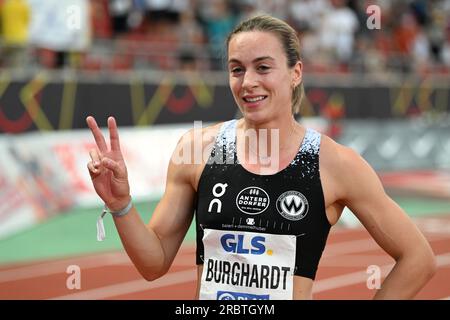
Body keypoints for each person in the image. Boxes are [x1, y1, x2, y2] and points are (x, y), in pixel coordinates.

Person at [86, 14, 436, 300]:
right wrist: (121, 204)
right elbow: (154, 262)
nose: (248, 82)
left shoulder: (335, 163)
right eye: (237, 69)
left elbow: (417, 258)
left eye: (263, 68)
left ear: (295, 73)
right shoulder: (198, 150)